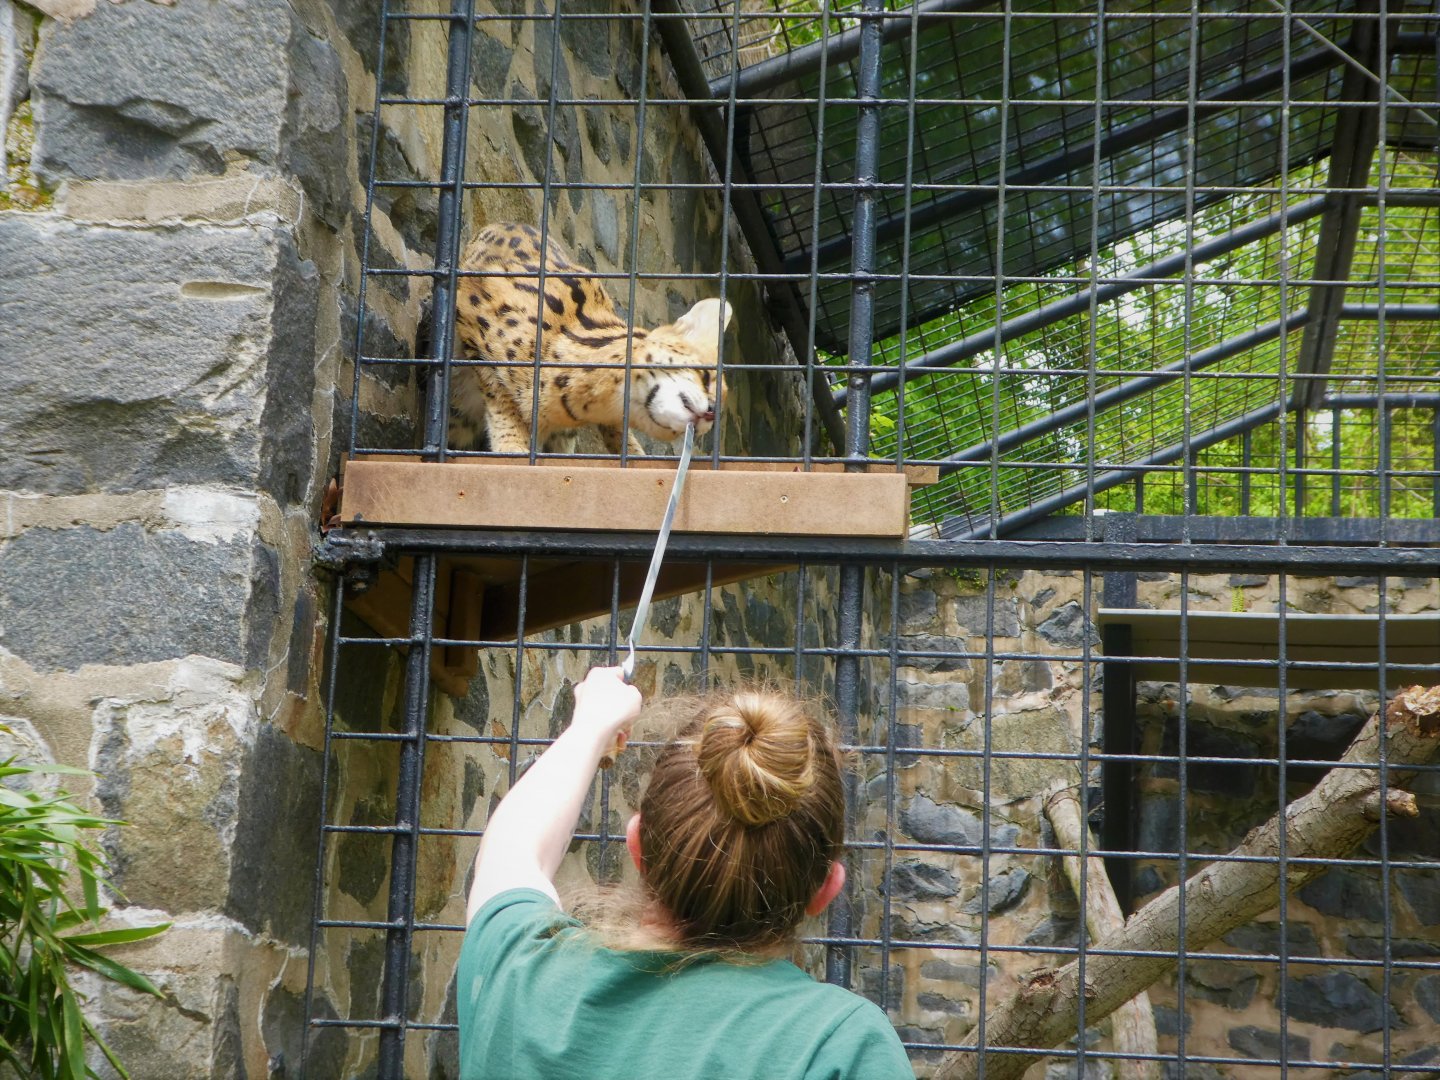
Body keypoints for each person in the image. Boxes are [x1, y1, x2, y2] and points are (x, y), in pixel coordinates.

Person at [456, 665, 914, 1079]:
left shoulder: (520, 973)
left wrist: (591, 726)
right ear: (826, 889)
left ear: (637, 847)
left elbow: (513, 852)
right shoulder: (841, 1046)